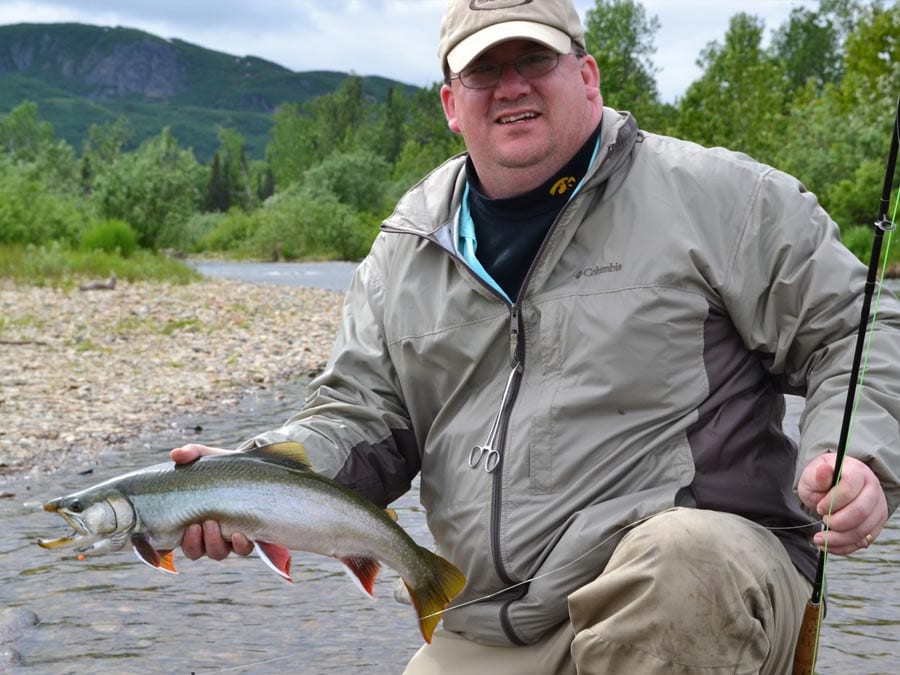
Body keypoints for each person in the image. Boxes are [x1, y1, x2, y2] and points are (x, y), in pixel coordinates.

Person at [171, 0, 900, 672]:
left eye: (535, 61)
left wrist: (854, 451)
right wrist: (250, 476)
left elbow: (859, 327)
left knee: (680, 560)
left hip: (701, 589)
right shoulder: (406, 247)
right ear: (452, 104)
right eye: (484, 69)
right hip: (493, 620)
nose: (511, 85)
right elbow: (360, 420)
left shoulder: (723, 199)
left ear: (587, 75)